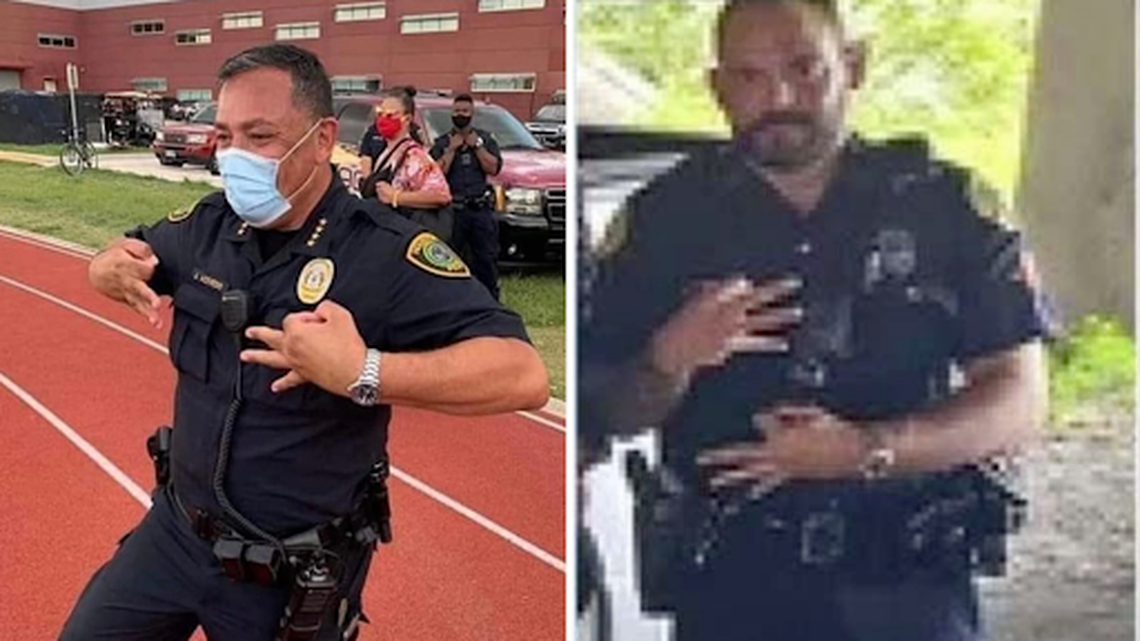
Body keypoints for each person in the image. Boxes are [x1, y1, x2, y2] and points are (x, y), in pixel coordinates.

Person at [580, 1, 1049, 640]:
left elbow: (1017, 399)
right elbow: (608, 414)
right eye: (748, 77)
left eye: (805, 69)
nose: (778, 97)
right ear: (718, 89)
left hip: (908, 584)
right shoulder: (663, 224)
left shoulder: (947, 211)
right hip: (731, 589)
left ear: (853, 66)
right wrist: (668, 359)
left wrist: (864, 451)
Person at [63, 44, 548, 641]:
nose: (236, 155)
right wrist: (103, 268)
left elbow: (523, 374)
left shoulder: (383, 253)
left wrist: (364, 371)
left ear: (322, 140)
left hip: (286, 571)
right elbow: (123, 253)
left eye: (260, 136)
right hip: (176, 535)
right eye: (226, 135)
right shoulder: (210, 227)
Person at [430, 94, 504, 300]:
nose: (459, 115)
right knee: (450, 260)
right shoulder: (442, 142)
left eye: (464, 112)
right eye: (456, 111)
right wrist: (451, 150)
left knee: (485, 260)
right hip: (454, 212)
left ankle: (490, 303)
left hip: (480, 211)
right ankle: (450, 301)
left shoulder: (486, 140)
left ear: (472, 114)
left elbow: (494, 168)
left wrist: (476, 146)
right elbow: (435, 174)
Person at [361, 86, 451, 212]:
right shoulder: (388, 153)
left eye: (390, 115)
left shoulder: (414, 156)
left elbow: (441, 195)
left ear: (407, 119)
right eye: (380, 114)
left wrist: (397, 197)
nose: (383, 120)